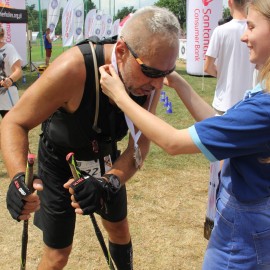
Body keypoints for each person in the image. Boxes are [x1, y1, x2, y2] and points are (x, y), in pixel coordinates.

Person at [1, 6, 180, 270]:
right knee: (58, 254)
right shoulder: (73, 68)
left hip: (105, 158)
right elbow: (15, 120)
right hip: (58, 162)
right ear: (121, 51)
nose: (157, 85)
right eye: (153, 73)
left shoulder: (150, 78)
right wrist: (17, 178)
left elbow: (140, 143)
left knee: (119, 231)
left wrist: (110, 182)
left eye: (166, 73)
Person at [99, 0, 270, 269]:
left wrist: (119, 95)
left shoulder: (265, 107)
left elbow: (174, 143)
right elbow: (219, 125)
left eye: (251, 26)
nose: (244, 35)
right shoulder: (264, 94)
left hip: (242, 233)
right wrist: (177, 81)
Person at [204, 0, 255, 115]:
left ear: (230, 2)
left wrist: (224, 74)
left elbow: (207, 67)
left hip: (224, 102)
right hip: (250, 103)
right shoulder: (256, 30)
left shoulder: (220, 31)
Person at [0, 26, 22, 118]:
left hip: (7, 98)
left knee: (10, 129)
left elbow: (18, 71)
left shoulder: (9, 48)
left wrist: (10, 79)